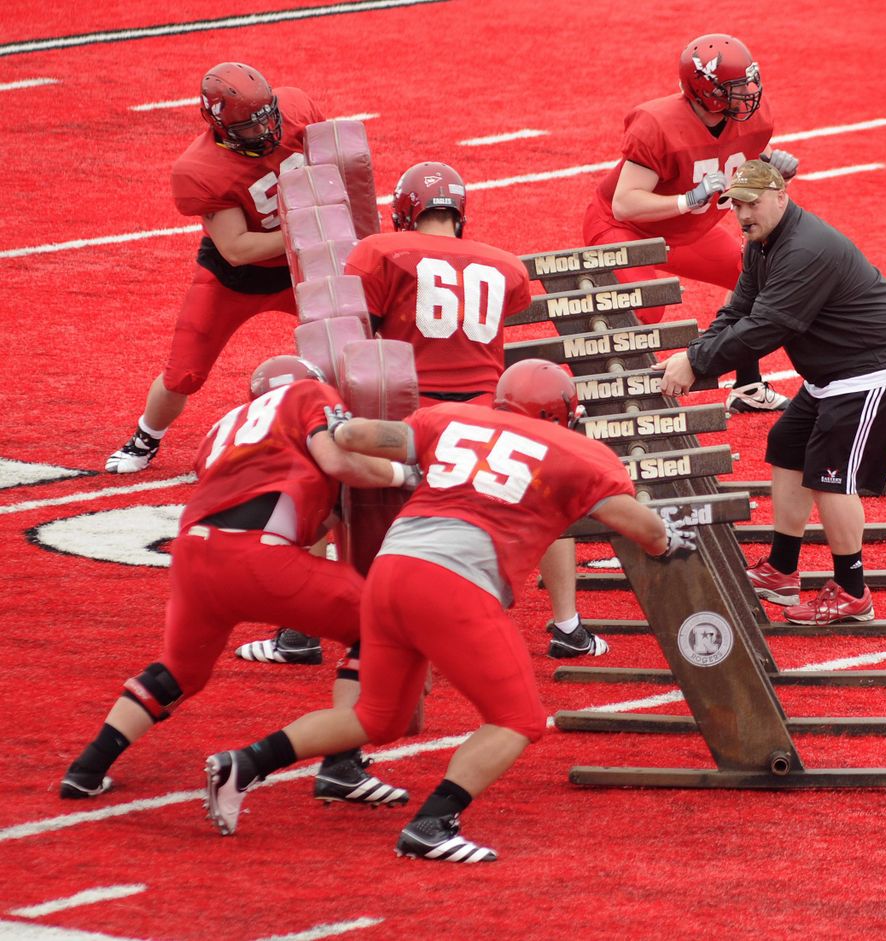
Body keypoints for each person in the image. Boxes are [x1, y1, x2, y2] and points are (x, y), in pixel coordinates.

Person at [202, 359, 697, 862]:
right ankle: (433, 824)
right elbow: (642, 527)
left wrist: (336, 424)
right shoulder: (579, 453)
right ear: (560, 411)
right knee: (518, 718)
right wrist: (669, 544)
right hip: (452, 585)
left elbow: (358, 435)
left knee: (378, 715)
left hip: (390, 572)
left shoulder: (452, 419)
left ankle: (243, 763)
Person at [237, 161, 607, 663]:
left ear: (406, 211)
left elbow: (358, 338)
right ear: (460, 212)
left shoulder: (381, 252)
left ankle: (298, 633)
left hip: (411, 417)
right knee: (539, 490)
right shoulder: (504, 264)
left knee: (328, 480)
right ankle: (570, 627)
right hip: (486, 417)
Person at [62, 356, 409, 809]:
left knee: (177, 672)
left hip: (192, 553)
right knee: (380, 625)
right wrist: (406, 475)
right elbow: (336, 462)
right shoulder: (308, 396)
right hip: (257, 557)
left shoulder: (220, 430)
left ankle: (86, 770)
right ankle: (341, 764)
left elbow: (294, 507)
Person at [654, 160, 886, 625]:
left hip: (876, 367)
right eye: (736, 205)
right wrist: (696, 352)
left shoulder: (805, 250)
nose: (743, 214)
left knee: (830, 475)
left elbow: (767, 327)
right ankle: (782, 570)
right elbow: (738, 309)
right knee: (786, 445)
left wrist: (697, 364)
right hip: (834, 370)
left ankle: (852, 591)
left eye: (752, 203)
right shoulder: (761, 245)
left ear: (781, 196)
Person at [106, 62, 324, 475]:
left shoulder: (297, 107)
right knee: (183, 373)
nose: (265, 132)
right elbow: (239, 248)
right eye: (249, 127)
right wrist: (315, 226)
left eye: (268, 118)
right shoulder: (200, 170)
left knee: (359, 338)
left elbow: (336, 165)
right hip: (237, 278)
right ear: (220, 126)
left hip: (304, 267)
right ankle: (145, 438)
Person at [583, 33, 799, 414]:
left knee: (754, 277)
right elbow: (624, 204)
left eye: (747, 82)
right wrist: (691, 198)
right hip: (626, 228)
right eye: (735, 88)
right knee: (643, 308)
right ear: (707, 90)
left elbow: (742, 156)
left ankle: (747, 387)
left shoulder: (750, 120)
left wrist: (772, 171)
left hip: (688, 231)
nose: (747, 94)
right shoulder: (659, 124)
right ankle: (594, 397)